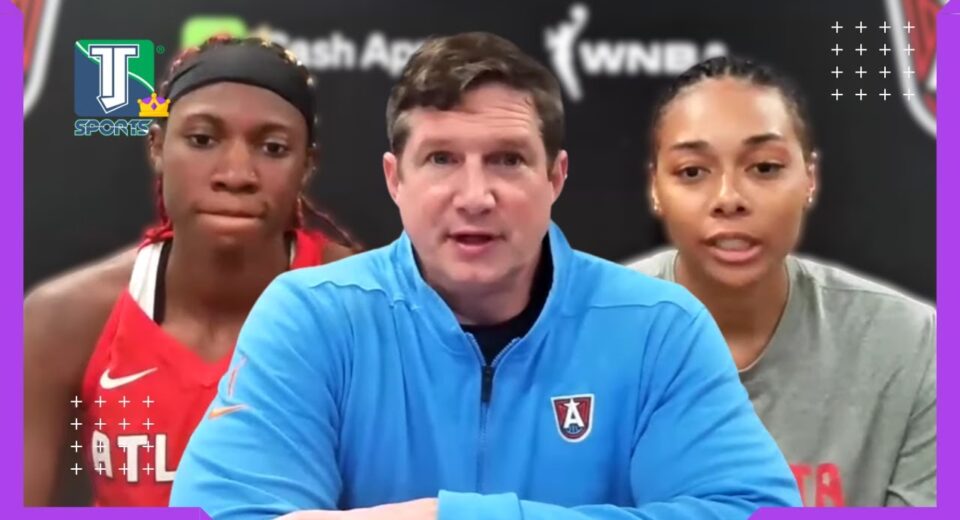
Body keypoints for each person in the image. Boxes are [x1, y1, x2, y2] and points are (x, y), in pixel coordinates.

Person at [169, 32, 801, 519]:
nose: (475, 196)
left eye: (507, 160)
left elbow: (752, 512)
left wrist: (457, 517)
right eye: (441, 159)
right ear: (395, 180)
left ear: (555, 178)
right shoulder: (311, 316)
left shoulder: (659, 329)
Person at [23, 35, 356, 507]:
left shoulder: (362, 307)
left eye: (273, 148)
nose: (236, 175)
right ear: (157, 146)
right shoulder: (63, 320)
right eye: (202, 140)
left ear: (306, 166)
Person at [628, 56, 936, 507]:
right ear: (655, 187)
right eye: (693, 171)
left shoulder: (911, 344)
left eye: (765, 167)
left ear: (810, 178)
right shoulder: (589, 333)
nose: (729, 198)